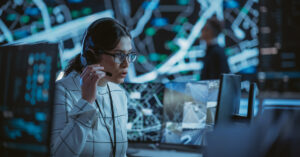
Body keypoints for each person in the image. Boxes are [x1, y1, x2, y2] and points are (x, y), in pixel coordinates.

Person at [51, 18, 137, 157]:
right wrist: (86, 102)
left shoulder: (118, 94)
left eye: (129, 55)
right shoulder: (61, 92)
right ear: (91, 56)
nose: (126, 64)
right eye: (119, 55)